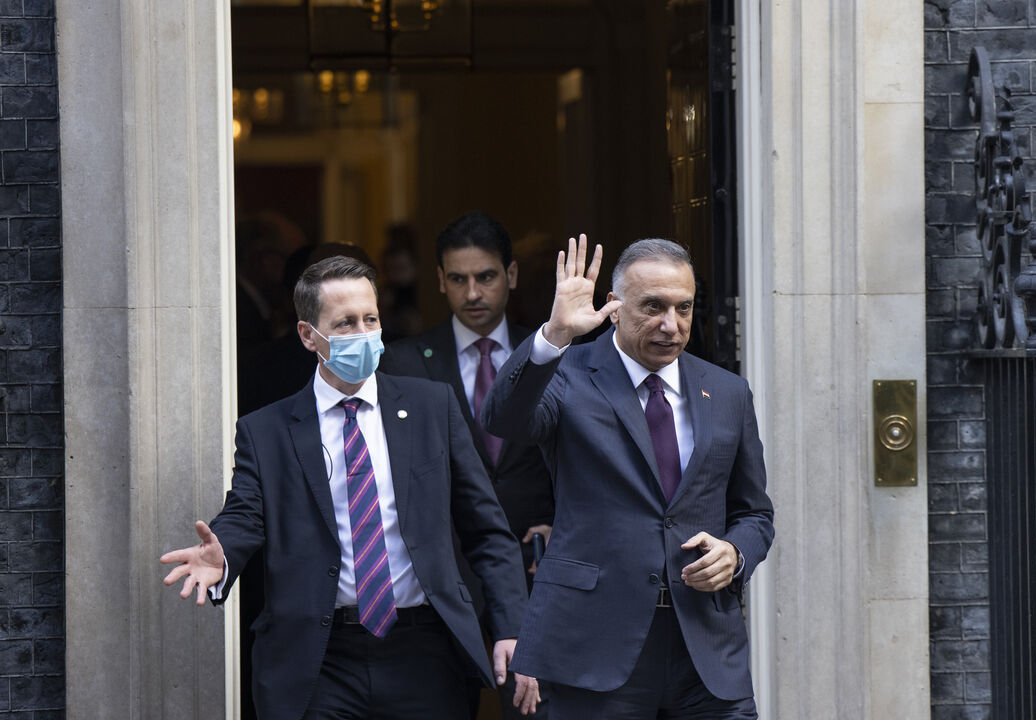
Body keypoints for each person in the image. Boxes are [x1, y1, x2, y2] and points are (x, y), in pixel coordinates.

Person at [161, 256, 539, 720]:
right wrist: (224, 553)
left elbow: (487, 529)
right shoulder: (268, 430)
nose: (362, 333)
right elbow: (246, 511)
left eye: (370, 319)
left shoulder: (430, 407)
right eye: (344, 323)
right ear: (308, 335)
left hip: (424, 652)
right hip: (320, 660)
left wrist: (511, 627)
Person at [481, 236, 774, 719]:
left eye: (684, 308)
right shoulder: (568, 374)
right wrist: (554, 335)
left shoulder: (726, 392)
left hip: (706, 650)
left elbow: (754, 512)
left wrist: (736, 553)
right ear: (614, 308)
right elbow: (504, 420)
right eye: (653, 307)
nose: (670, 325)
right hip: (596, 647)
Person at [380, 211, 555, 720]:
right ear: (439, 280)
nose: (473, 293)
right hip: (443, 574)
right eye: (458, 279)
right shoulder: (404, 362)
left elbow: (584, 459)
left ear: (512, 275)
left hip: (536, 564)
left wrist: (561, 526)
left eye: (486, 277)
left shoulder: (548, 353)